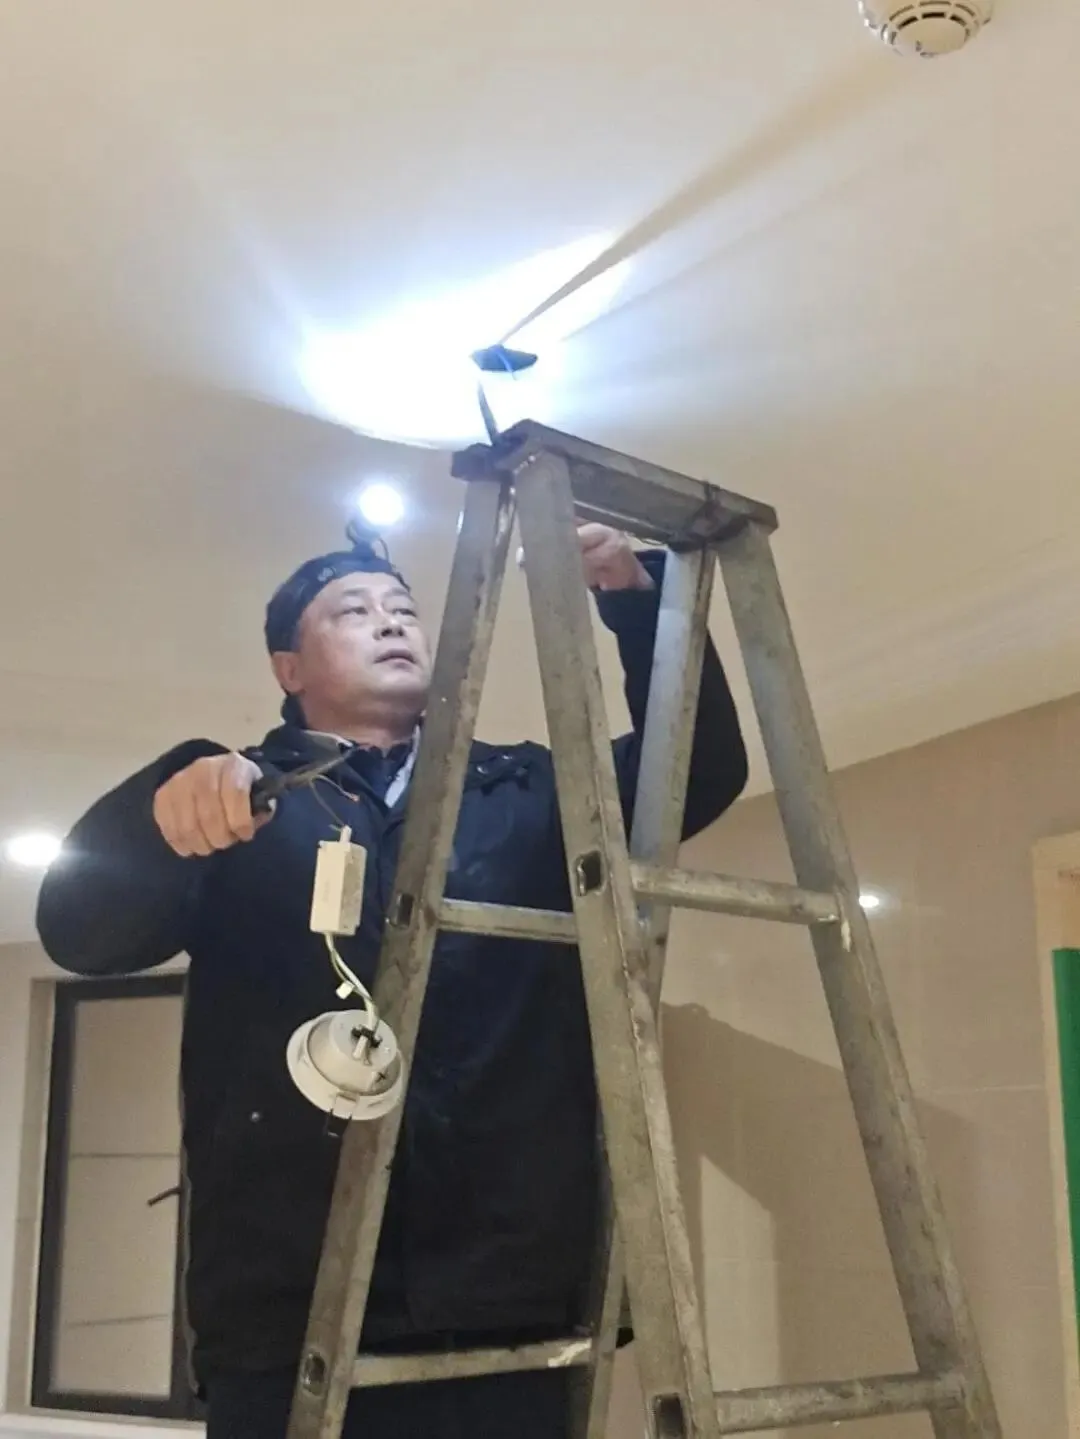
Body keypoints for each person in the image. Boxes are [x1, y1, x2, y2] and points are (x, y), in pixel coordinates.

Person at [36, 520, 748, 1439]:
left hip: (513, 1300)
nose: (390, 621)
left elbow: (699, 770)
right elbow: (80, 931)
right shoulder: (242, 801)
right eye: (353, 610)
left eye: (405, 609)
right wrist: (163, 803)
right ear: (289, 667)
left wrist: (634, 598)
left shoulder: (529, 792)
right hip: (288, 1307)